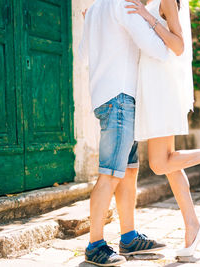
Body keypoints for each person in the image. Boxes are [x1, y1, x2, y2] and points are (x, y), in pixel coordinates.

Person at [124, 0, 200, 257]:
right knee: (171, 166)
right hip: (152, 86)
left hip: (161, 87)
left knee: (160, 164)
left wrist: (148, 20)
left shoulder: (166, 0)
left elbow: (179, 45)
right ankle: (193, 226)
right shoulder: (148, 2)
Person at [78, 0, 172, 265]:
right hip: (119, 98)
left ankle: (129, 238)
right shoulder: (124, 5)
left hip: (111, 98)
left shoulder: (95, 9)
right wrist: (152, 22)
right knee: (110, 173)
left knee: (129, 171)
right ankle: (95, 244)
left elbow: (82, 54)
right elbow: (158, 50)